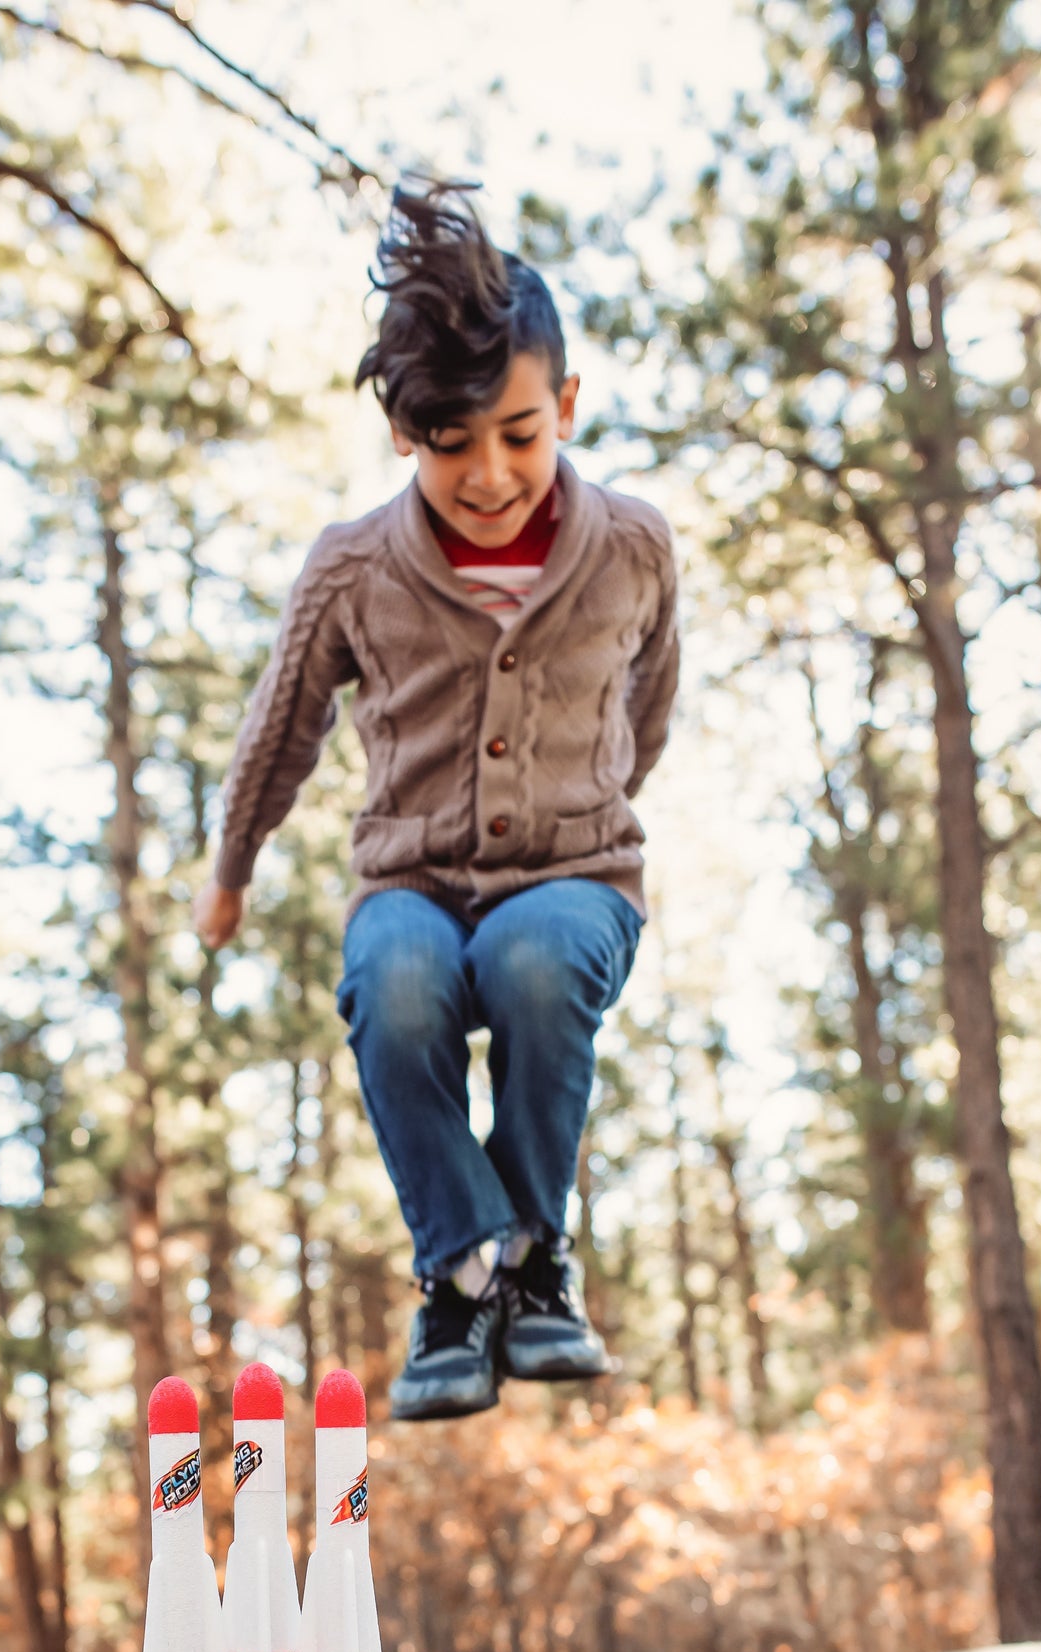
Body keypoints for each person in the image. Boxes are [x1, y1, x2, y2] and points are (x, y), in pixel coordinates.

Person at [194, 180, 679, 1421]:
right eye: (453, 443)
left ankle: (534, 1259)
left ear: (566, 405)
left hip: (577, 875)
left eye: (519, 433)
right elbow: (281, 729)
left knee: (532, 961)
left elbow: (650, 702)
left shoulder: (633, 549)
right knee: (397, 983)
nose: (490, 473)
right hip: (410, 880)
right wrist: (231, 868)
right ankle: (471, 1273)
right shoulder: (355, 568)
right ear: (406, 434)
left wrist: (598, 810)